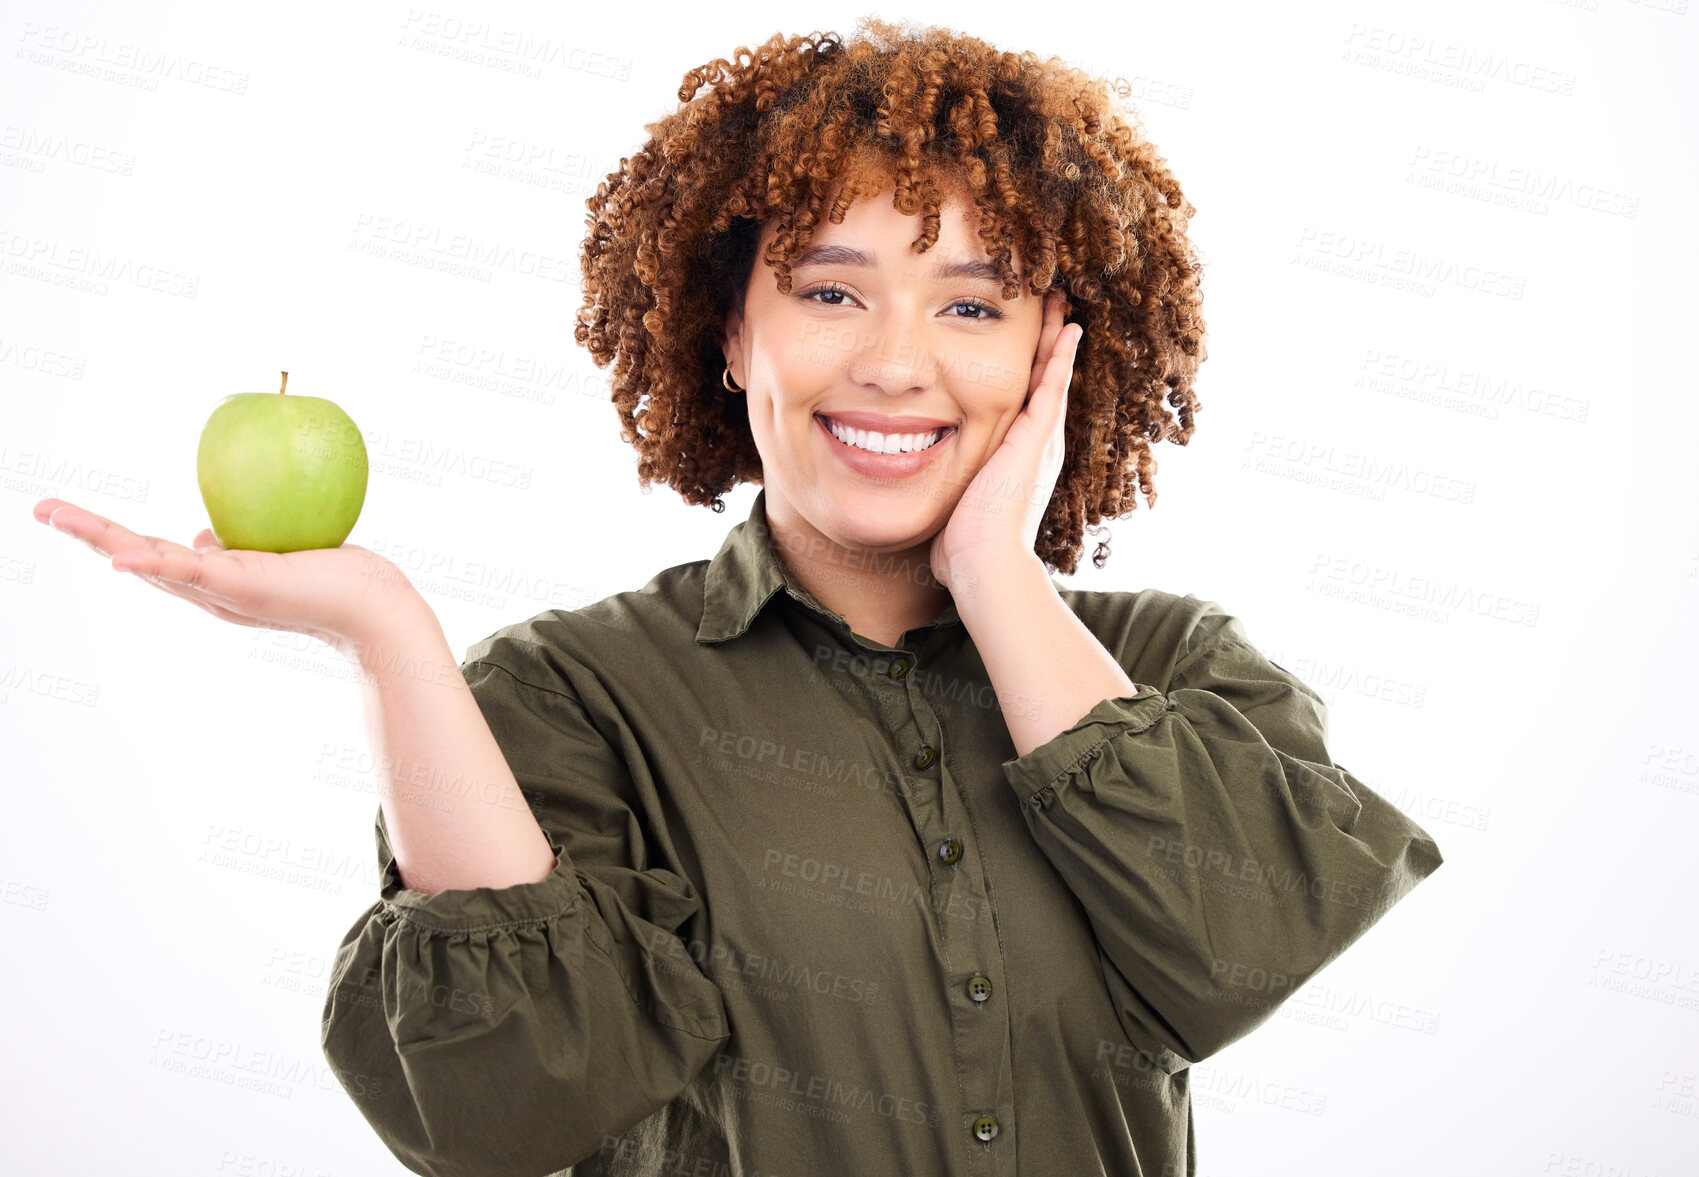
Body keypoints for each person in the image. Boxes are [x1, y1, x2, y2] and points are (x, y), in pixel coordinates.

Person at [33, 17, 1443, 1177]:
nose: (896, 364)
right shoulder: (571, 694)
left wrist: (997, 574)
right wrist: (386, 632)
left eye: (971, 305)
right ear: (726, 332)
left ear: (1053, 352)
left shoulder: (1167, 665)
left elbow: (1245, 946)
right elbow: (511, 1104)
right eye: (833, 294)